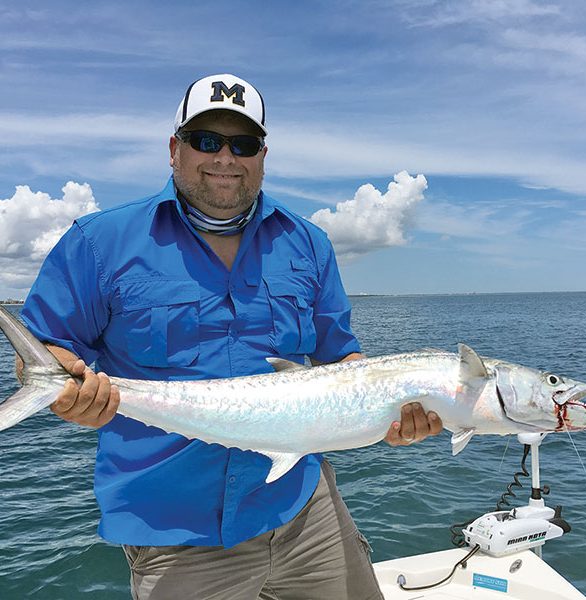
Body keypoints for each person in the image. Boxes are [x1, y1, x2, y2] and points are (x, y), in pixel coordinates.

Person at [21, 74, 442, 599]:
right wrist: (69, 389)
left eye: (243, 144)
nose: (225, 157)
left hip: (302, 510)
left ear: (263, 156)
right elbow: (46, 350)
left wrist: (389, 413)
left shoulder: (308, 244)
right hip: (175, 531)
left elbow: (343, 359)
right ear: (174, 149)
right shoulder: (99, 242)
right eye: (206, 141)